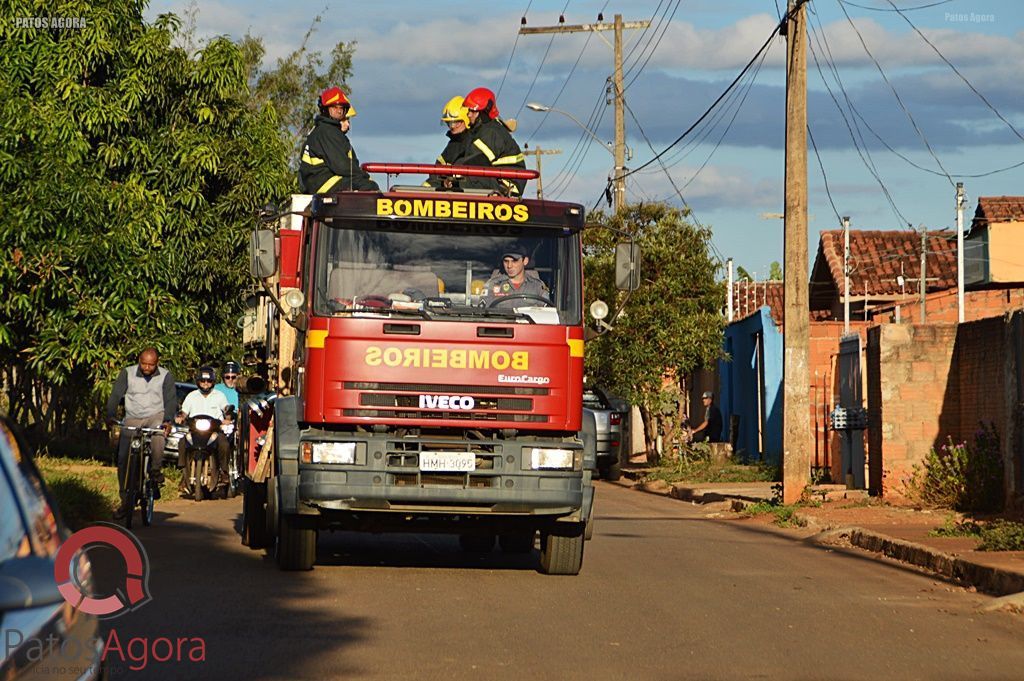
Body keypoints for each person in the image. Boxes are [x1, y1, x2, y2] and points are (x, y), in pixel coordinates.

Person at [105, 347, 176, 517]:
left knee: (158, 434)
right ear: (139, 360)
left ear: (156, 363)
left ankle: (155, 471)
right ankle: (125, 501)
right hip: (133, 418)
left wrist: (167, 420)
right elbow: (115, 395)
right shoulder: (127, 373)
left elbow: (171, 400)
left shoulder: (165, 376)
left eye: (151, 365)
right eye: (143, 364)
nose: (146, 368)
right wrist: (110, 414)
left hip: (155, 416)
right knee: (123, 458)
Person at [298, 87, 379, 194]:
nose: (339, 111)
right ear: (325, 109)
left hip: (319, 182)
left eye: (341, 108)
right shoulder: (327, 131)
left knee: (363, 184)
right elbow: (342, 166)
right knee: (368, 186)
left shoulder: (327, 130)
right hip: (323, 182)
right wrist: (364, 177)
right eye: (334, 107)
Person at [460, 87, 526, 196]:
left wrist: (453, 172)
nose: (469, 114)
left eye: (473, 111)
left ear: (483, 112)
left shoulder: (491, 133)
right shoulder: (481, 131)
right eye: (469, 110)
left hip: (507, 186)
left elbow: (474, 159)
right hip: (495, 181)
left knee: (467, 178)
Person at [178, 366, 230, 495]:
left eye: (208, 381)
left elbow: (226, 409)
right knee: (182, 443)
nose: (205, 384)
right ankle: (184, 475)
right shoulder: (191, 396)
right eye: (203, 381)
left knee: (224, 444)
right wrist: (180, 417)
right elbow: (184, 412)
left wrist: (227, 418)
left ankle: (224, 472)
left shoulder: (219, 395)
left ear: (212, 382)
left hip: (214, 431)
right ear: (198, 382)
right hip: (195, 431)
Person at [426, 95, 473, 189]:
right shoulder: (452, 145)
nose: (452, 126)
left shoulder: (474, 143)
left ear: (466, 120)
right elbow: (436, 172)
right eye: (449, 123)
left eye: (456, 122)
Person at [484, 243, 549, 304]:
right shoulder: (492, 284)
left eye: (514, 261)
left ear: (525, 261)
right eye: (506, 261)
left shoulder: (537, 286)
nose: (509, 266)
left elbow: (546, 311)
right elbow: (483, 309)